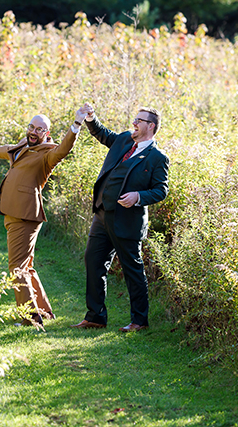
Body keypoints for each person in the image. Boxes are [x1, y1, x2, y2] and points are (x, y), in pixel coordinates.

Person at [70, 103, 169, 332]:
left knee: (132, 269)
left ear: (151, 126)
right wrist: (91, 119)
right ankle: (95, 316)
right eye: (135, 119)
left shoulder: (157, 158)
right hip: (102, 214)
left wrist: (138, 196)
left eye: (139, 121)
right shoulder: (124, 139)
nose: (133, 123)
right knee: (93, 262)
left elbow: (161, 190)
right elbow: (103, 135)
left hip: (127, 221)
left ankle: (139, 321)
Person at [0, 113, 81, 326]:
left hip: (25, 215)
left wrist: (76, 126)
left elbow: (64, 150)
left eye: (39, 129)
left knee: (17, 267)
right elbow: (8, 150)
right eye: (32, 127)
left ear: (47, 133)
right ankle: (43, 312)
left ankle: (30, 319)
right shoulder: (24, 145)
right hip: (14, 213)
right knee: (26, 266)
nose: (34, 132)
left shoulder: (47, 154)